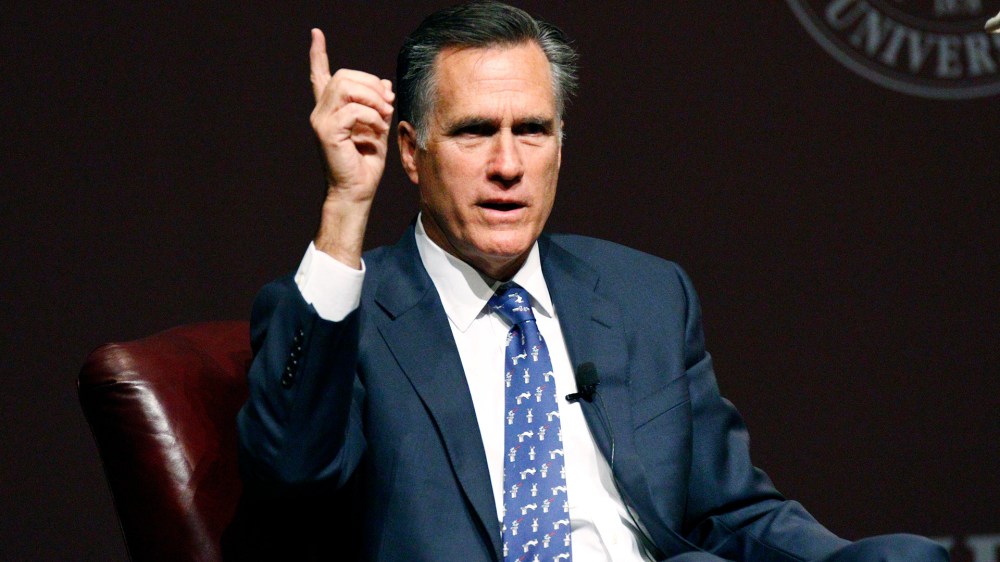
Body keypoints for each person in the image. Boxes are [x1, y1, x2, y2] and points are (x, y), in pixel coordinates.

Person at [236, 3, 948, 561]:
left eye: (533, 130)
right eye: (474, 131)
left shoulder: (645, 296)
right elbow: (291, 474)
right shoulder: (347, 318)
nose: (508, 165)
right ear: (411, 152)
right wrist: (346, 205)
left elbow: (728, 512)